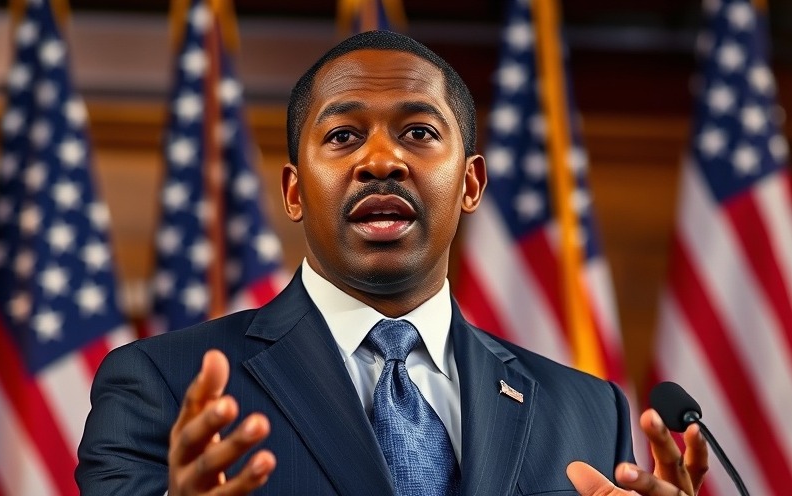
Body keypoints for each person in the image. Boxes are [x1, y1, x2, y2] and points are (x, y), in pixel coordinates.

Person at [76, 30, 708, 495]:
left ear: (470, 184)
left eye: (418, 133)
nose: (381, 161)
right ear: (294, 192)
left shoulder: (587, 410)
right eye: (343, 136)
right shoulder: (159, 385)